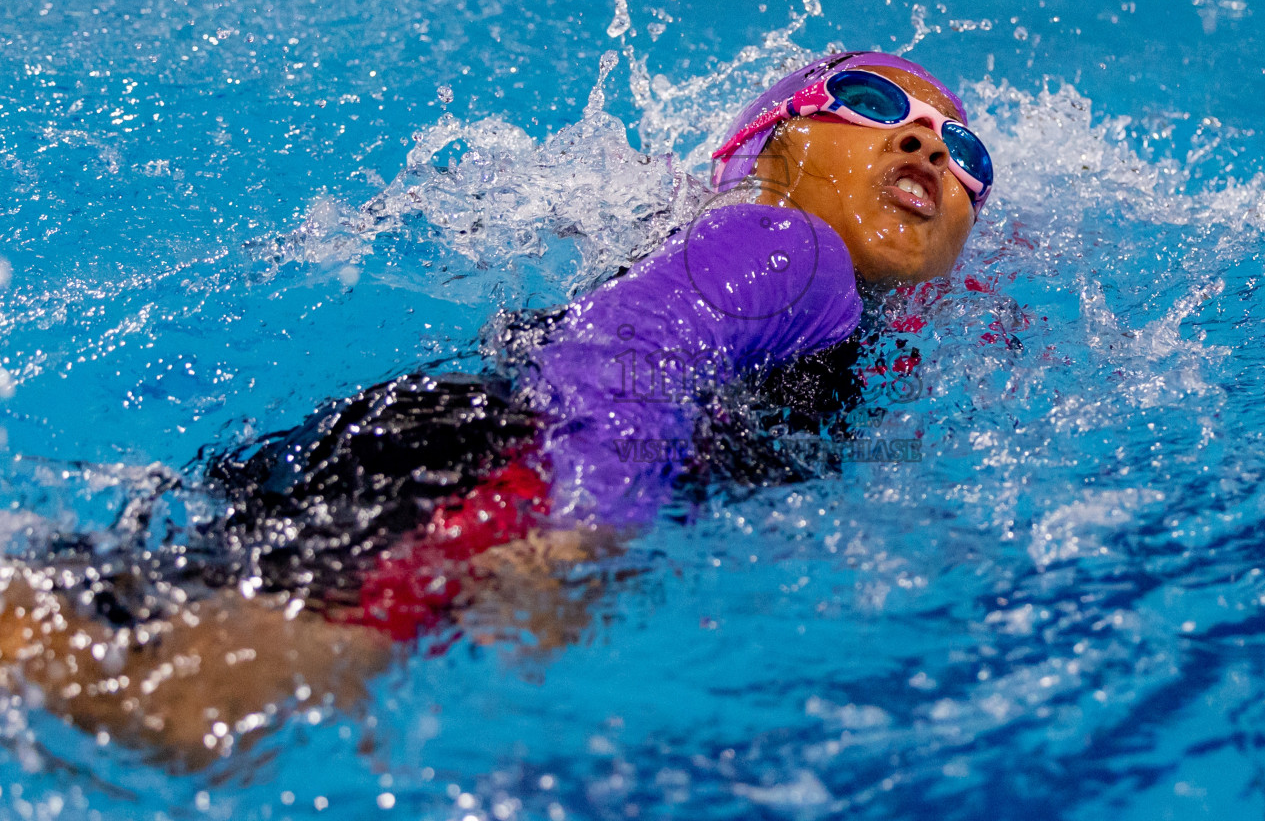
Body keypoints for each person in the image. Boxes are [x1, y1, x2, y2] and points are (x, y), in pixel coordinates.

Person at [0, 50, 993, 765]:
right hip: (507, 469)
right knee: (197, 705)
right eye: (869, 102)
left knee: (130, 633)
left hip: (451, 438)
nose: (924, 143)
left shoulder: (837, 321)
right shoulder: (796, 250)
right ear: (769, 151)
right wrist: (591, 523)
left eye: (965, 153)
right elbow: (628, 348)